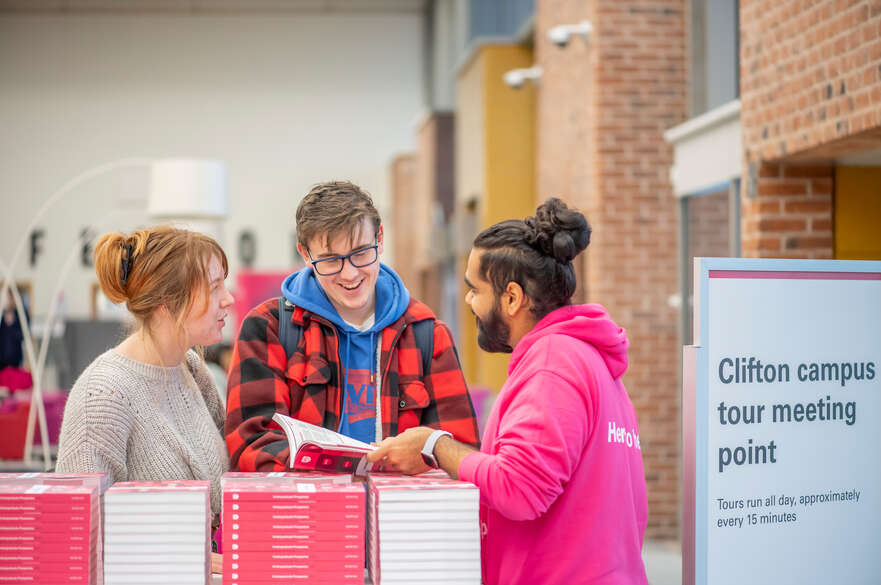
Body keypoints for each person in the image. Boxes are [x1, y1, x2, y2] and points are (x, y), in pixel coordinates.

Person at [368, 198, 650, 585]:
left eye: (474, 289)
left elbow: (521, 489)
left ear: (512, 298)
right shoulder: (589, 359)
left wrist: (433, 445)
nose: (468, 301)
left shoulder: (553, 365)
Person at [226, 181, 479, 471]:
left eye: (360, 253)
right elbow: (249, 444)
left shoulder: (427, 334)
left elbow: (460, 452)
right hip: (308, 510)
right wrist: (336, 469)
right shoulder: (268, 328)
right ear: (306, 254)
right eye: (331, 260)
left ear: (380, 238)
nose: (350, 273)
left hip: (399, 512)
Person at [56, 226, 233, 543]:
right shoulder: (103, 395)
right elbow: (78, 537)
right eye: (215, 287)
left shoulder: (190, 367)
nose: (228, 299)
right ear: (168, 301)